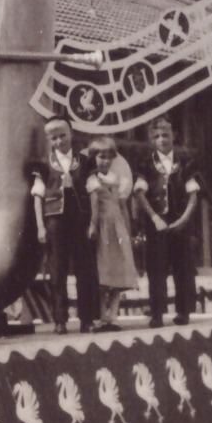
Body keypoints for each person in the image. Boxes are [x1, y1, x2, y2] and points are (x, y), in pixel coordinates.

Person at [31, 116, 100, 333]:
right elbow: (37, 196)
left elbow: (94, 192)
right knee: (57, 270)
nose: (59, 141)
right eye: (54, 137)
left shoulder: (85, 160)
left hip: (79, 218)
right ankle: (60, 320)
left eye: (62, 135)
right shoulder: (43, 163)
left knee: (84, 269)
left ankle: (86, 319)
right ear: (48, 139)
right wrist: (41, 226)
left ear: (71, 134)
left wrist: (93, 223)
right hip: (55, 220)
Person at [133, 117, 201, 328]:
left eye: (165, 135)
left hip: (180, 223)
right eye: (157, 136)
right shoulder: (146, 164)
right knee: (156, 268)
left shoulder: (185, 162)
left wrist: (183, 220)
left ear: (174, 136)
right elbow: (140, 193)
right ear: (152, 140)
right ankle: (157, 314)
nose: (161, 139)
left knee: (184, 267)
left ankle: (184, 311)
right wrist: (154, 218)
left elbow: (193, 195)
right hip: (157, 225)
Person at [84, 137, 140, 327]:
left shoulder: (119, 181)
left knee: (118, 269)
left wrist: (128, 231)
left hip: (117, 229)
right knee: (103, 271)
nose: (105, 161)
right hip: (102, 228)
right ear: (93, 157)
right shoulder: (92, 180)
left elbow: (123, 207)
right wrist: (92, 225)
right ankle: (102, 315)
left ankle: (114, 316)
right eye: (101, 157)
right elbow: (91, 206)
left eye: (109, 157)